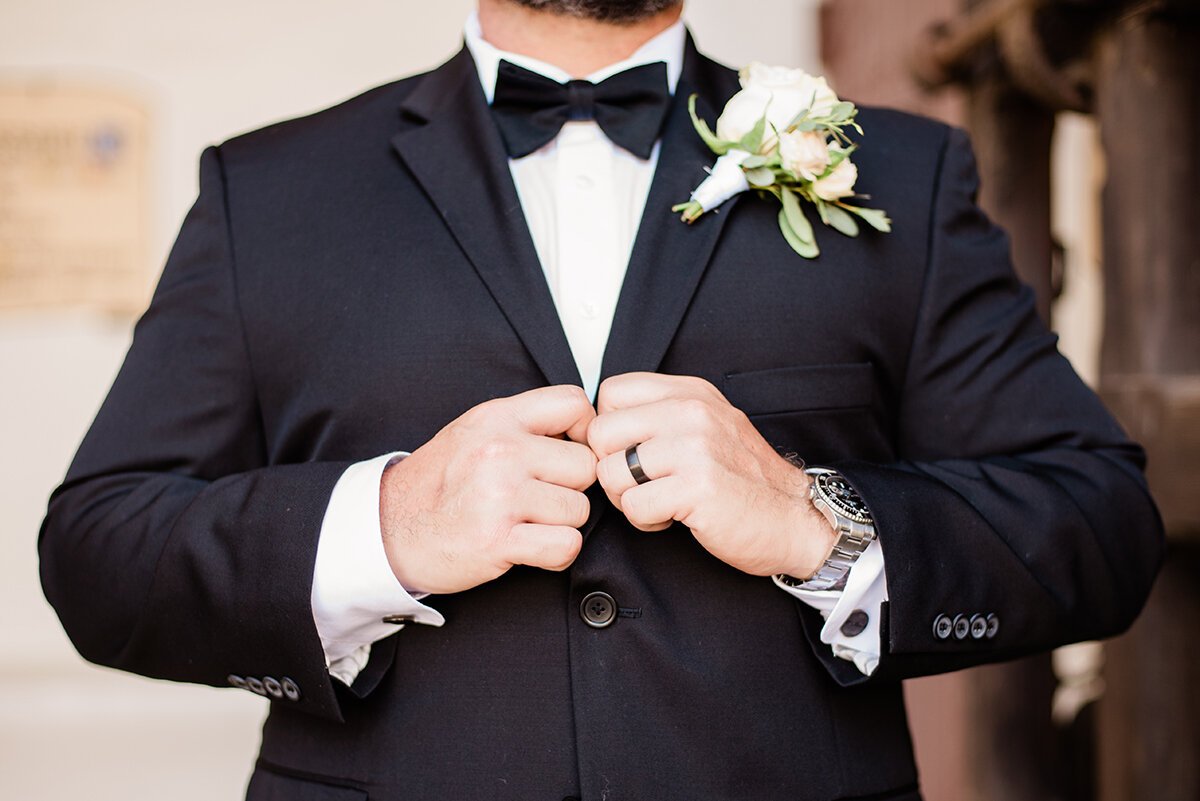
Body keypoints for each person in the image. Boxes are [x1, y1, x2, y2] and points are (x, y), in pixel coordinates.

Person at [39, 1, 1163, 799]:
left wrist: (818, 521)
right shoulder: (271, 194)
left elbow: (1101, 526)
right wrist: (380, 531)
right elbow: (98, 554)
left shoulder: (901, 180)